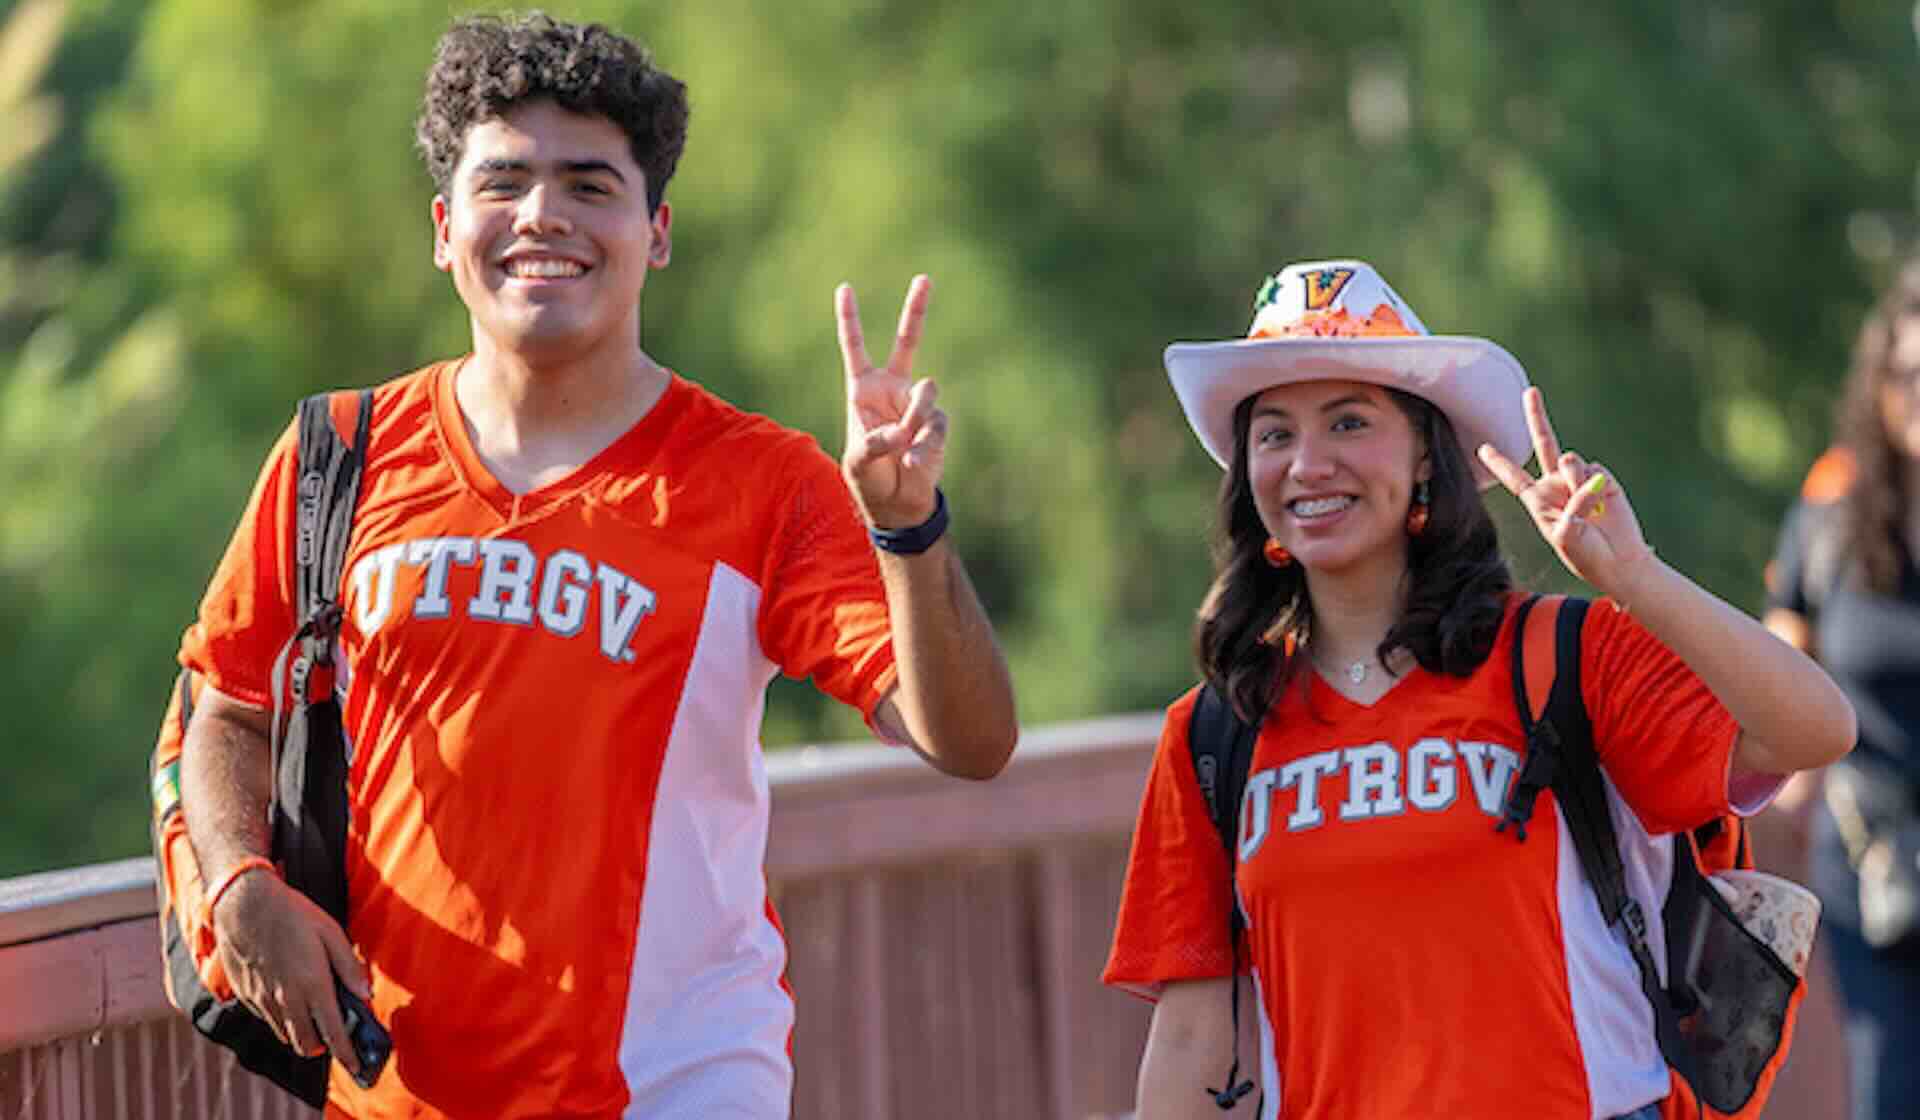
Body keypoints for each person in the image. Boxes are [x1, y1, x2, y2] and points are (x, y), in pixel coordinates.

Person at [172, 12, 1018, 1117]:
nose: (541, 218)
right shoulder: (340, 455)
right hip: (393, 1094)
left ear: (655, 230)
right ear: (443, 227)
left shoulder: (762, 481)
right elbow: (231, 708)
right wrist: (238, 884)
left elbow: (971, 741)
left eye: (589, 185)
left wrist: (910, 527)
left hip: (676, 1087)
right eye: (505, 182)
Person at [1102, 260, 1856, 1119]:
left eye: (1349, 422)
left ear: (1427, 450)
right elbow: (1197, 1039)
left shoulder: (1565, 657)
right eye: (1274, 435)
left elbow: (1816, 731)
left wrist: (1638, 578)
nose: (1308, 464)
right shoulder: (1214, 732)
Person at [1763, 254, 1920, 1120]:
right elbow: (1783, 686)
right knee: (1888, 1099)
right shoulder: (1830, 517)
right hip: (1872, 866)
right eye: (1909, 373)